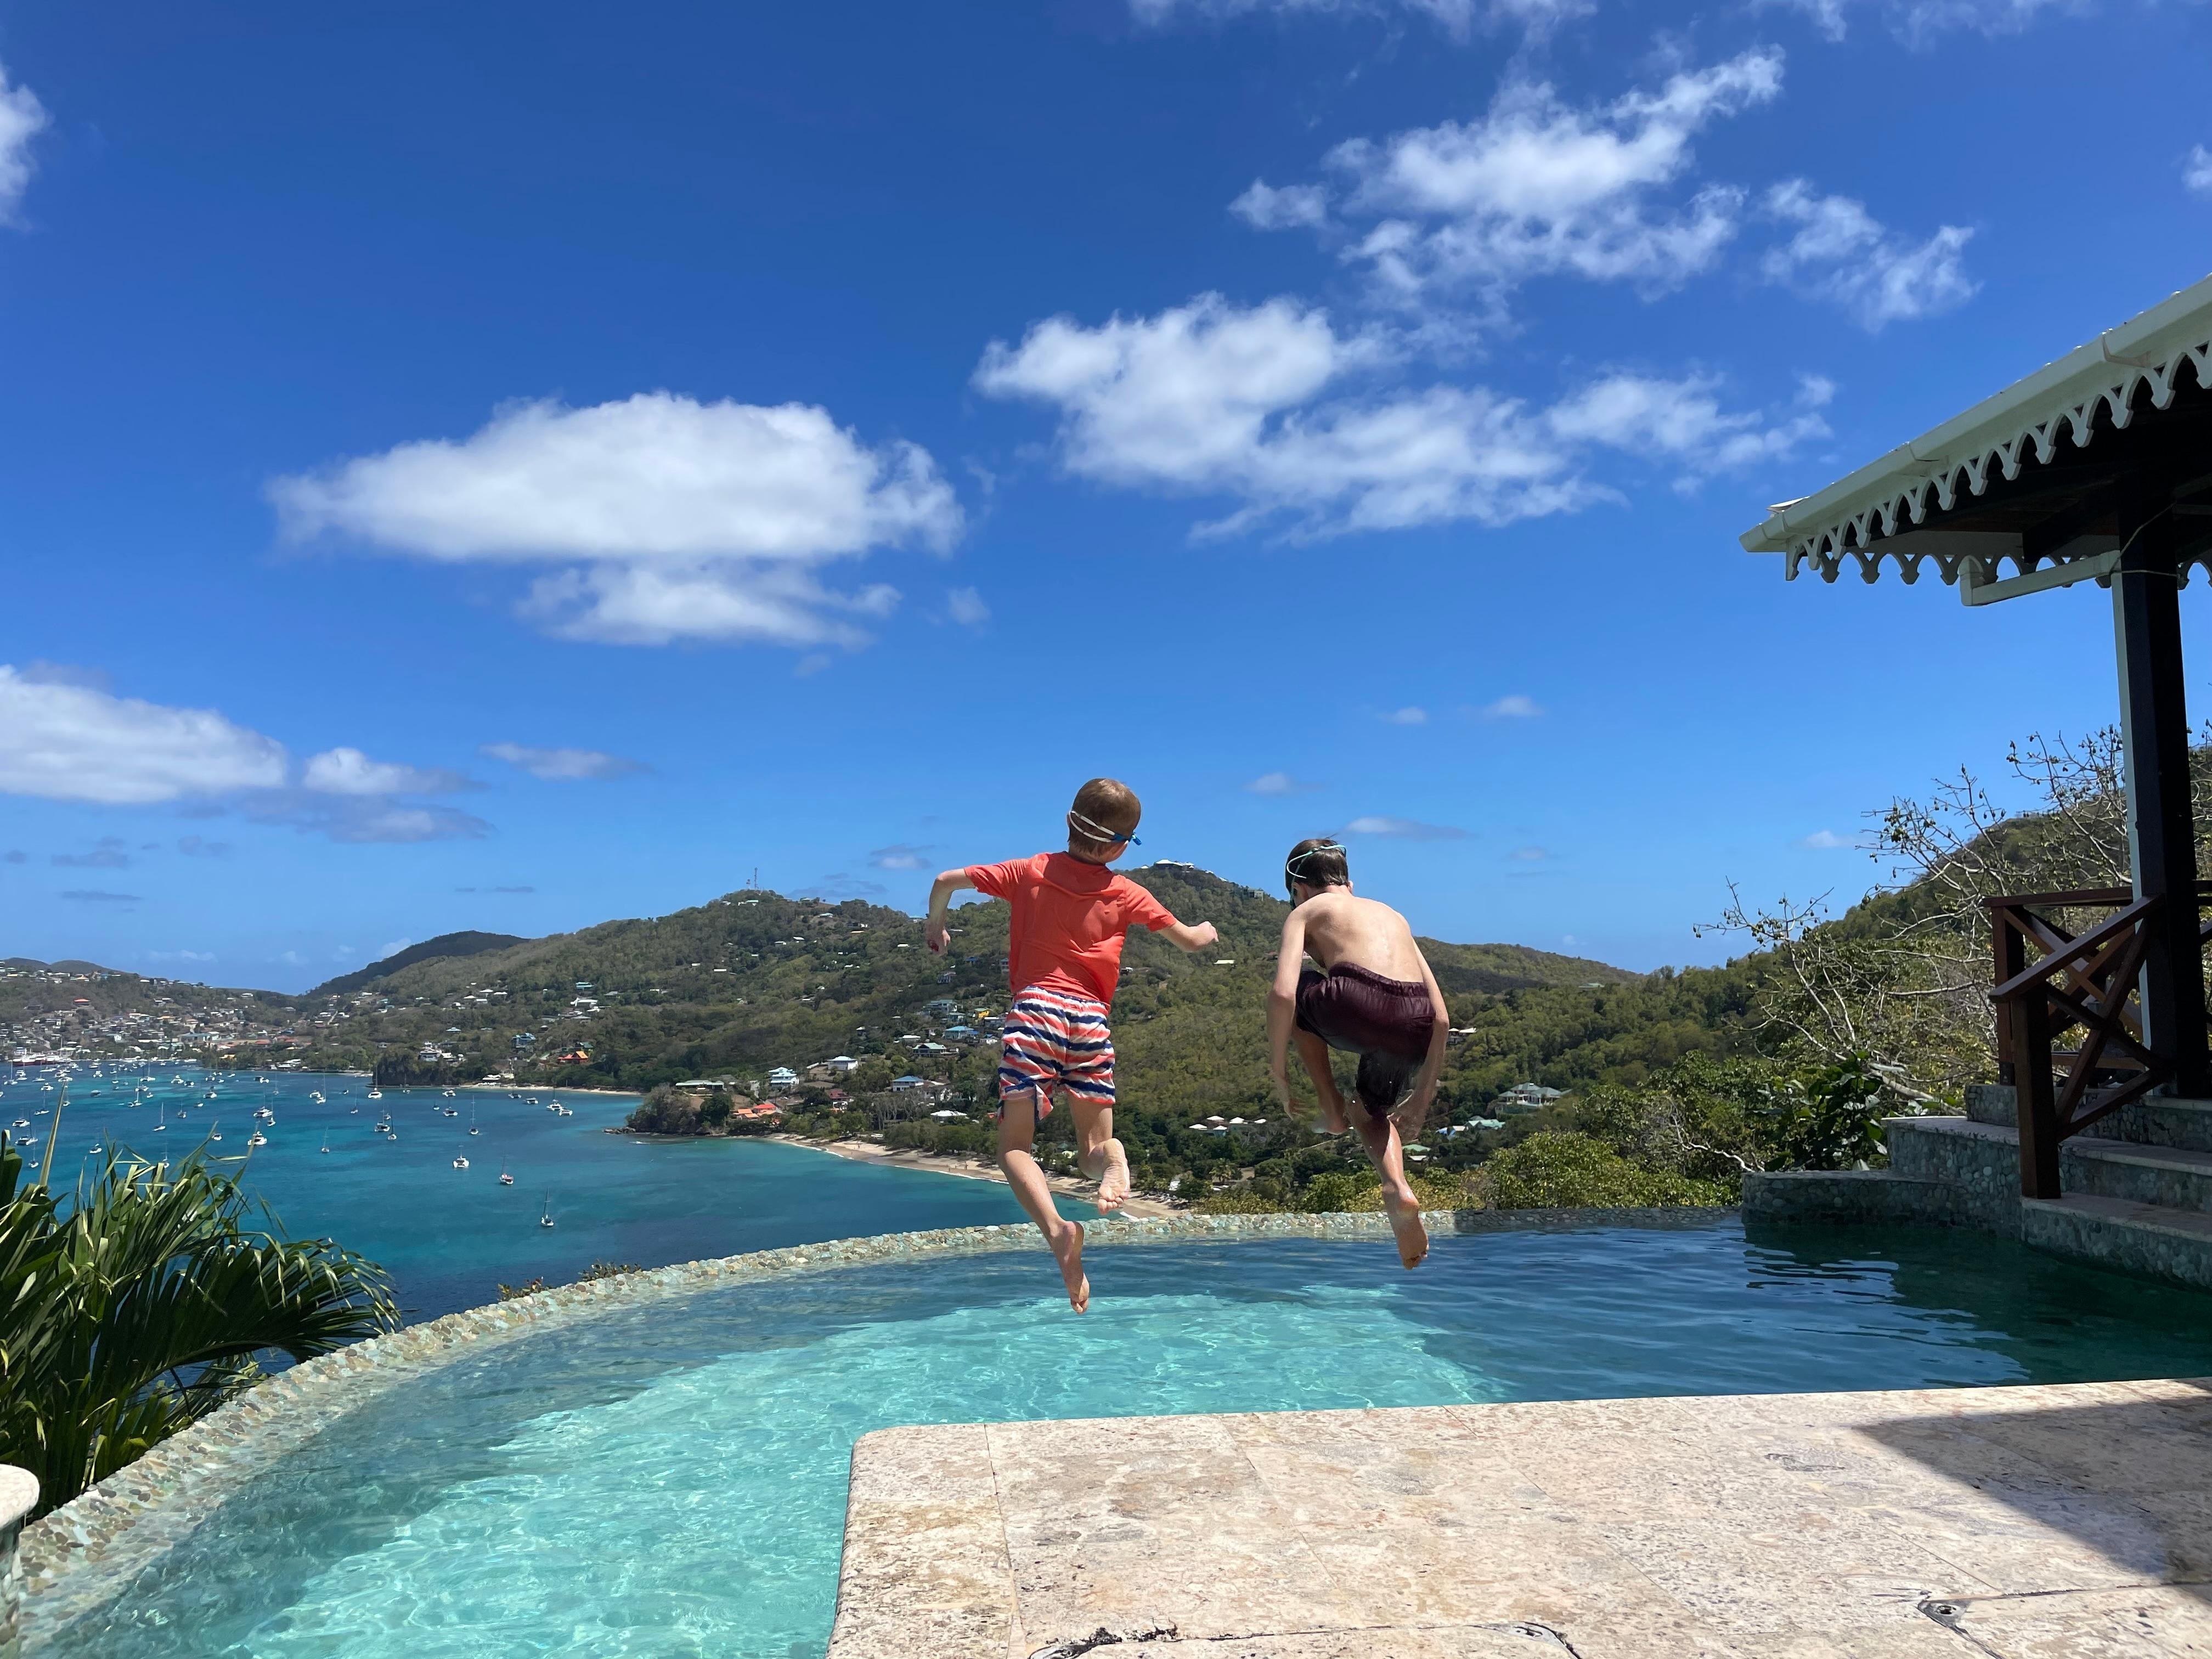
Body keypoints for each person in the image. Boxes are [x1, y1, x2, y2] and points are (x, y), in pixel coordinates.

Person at [926, 778, 1219, 1312]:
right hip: (1090, 1021)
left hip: (1035, 1012)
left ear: (1067, 821)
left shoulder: (1028, 872)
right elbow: (1191, 940)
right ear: (1122, 846)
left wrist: (937, 926)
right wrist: (1208, 930)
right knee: (1090, 1154)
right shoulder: (1127, 892)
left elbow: (946, 880)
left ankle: (1060, 1233)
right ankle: (1115, 1156)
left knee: (1015, 1148)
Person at [1268, 838, 1448, 1269]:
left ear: (1299, 887)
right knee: (1371, 1112)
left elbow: (1281, 994)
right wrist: (1423, 1097)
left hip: (1358, 999)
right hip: (1416, 1018)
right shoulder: (1394, 916)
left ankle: (1331, 1109)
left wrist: (1279, 1072)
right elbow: (1441, 1017)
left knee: (1300, 993)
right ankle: (1397, 1187)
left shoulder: (1305, 912)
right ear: (1349, 882)